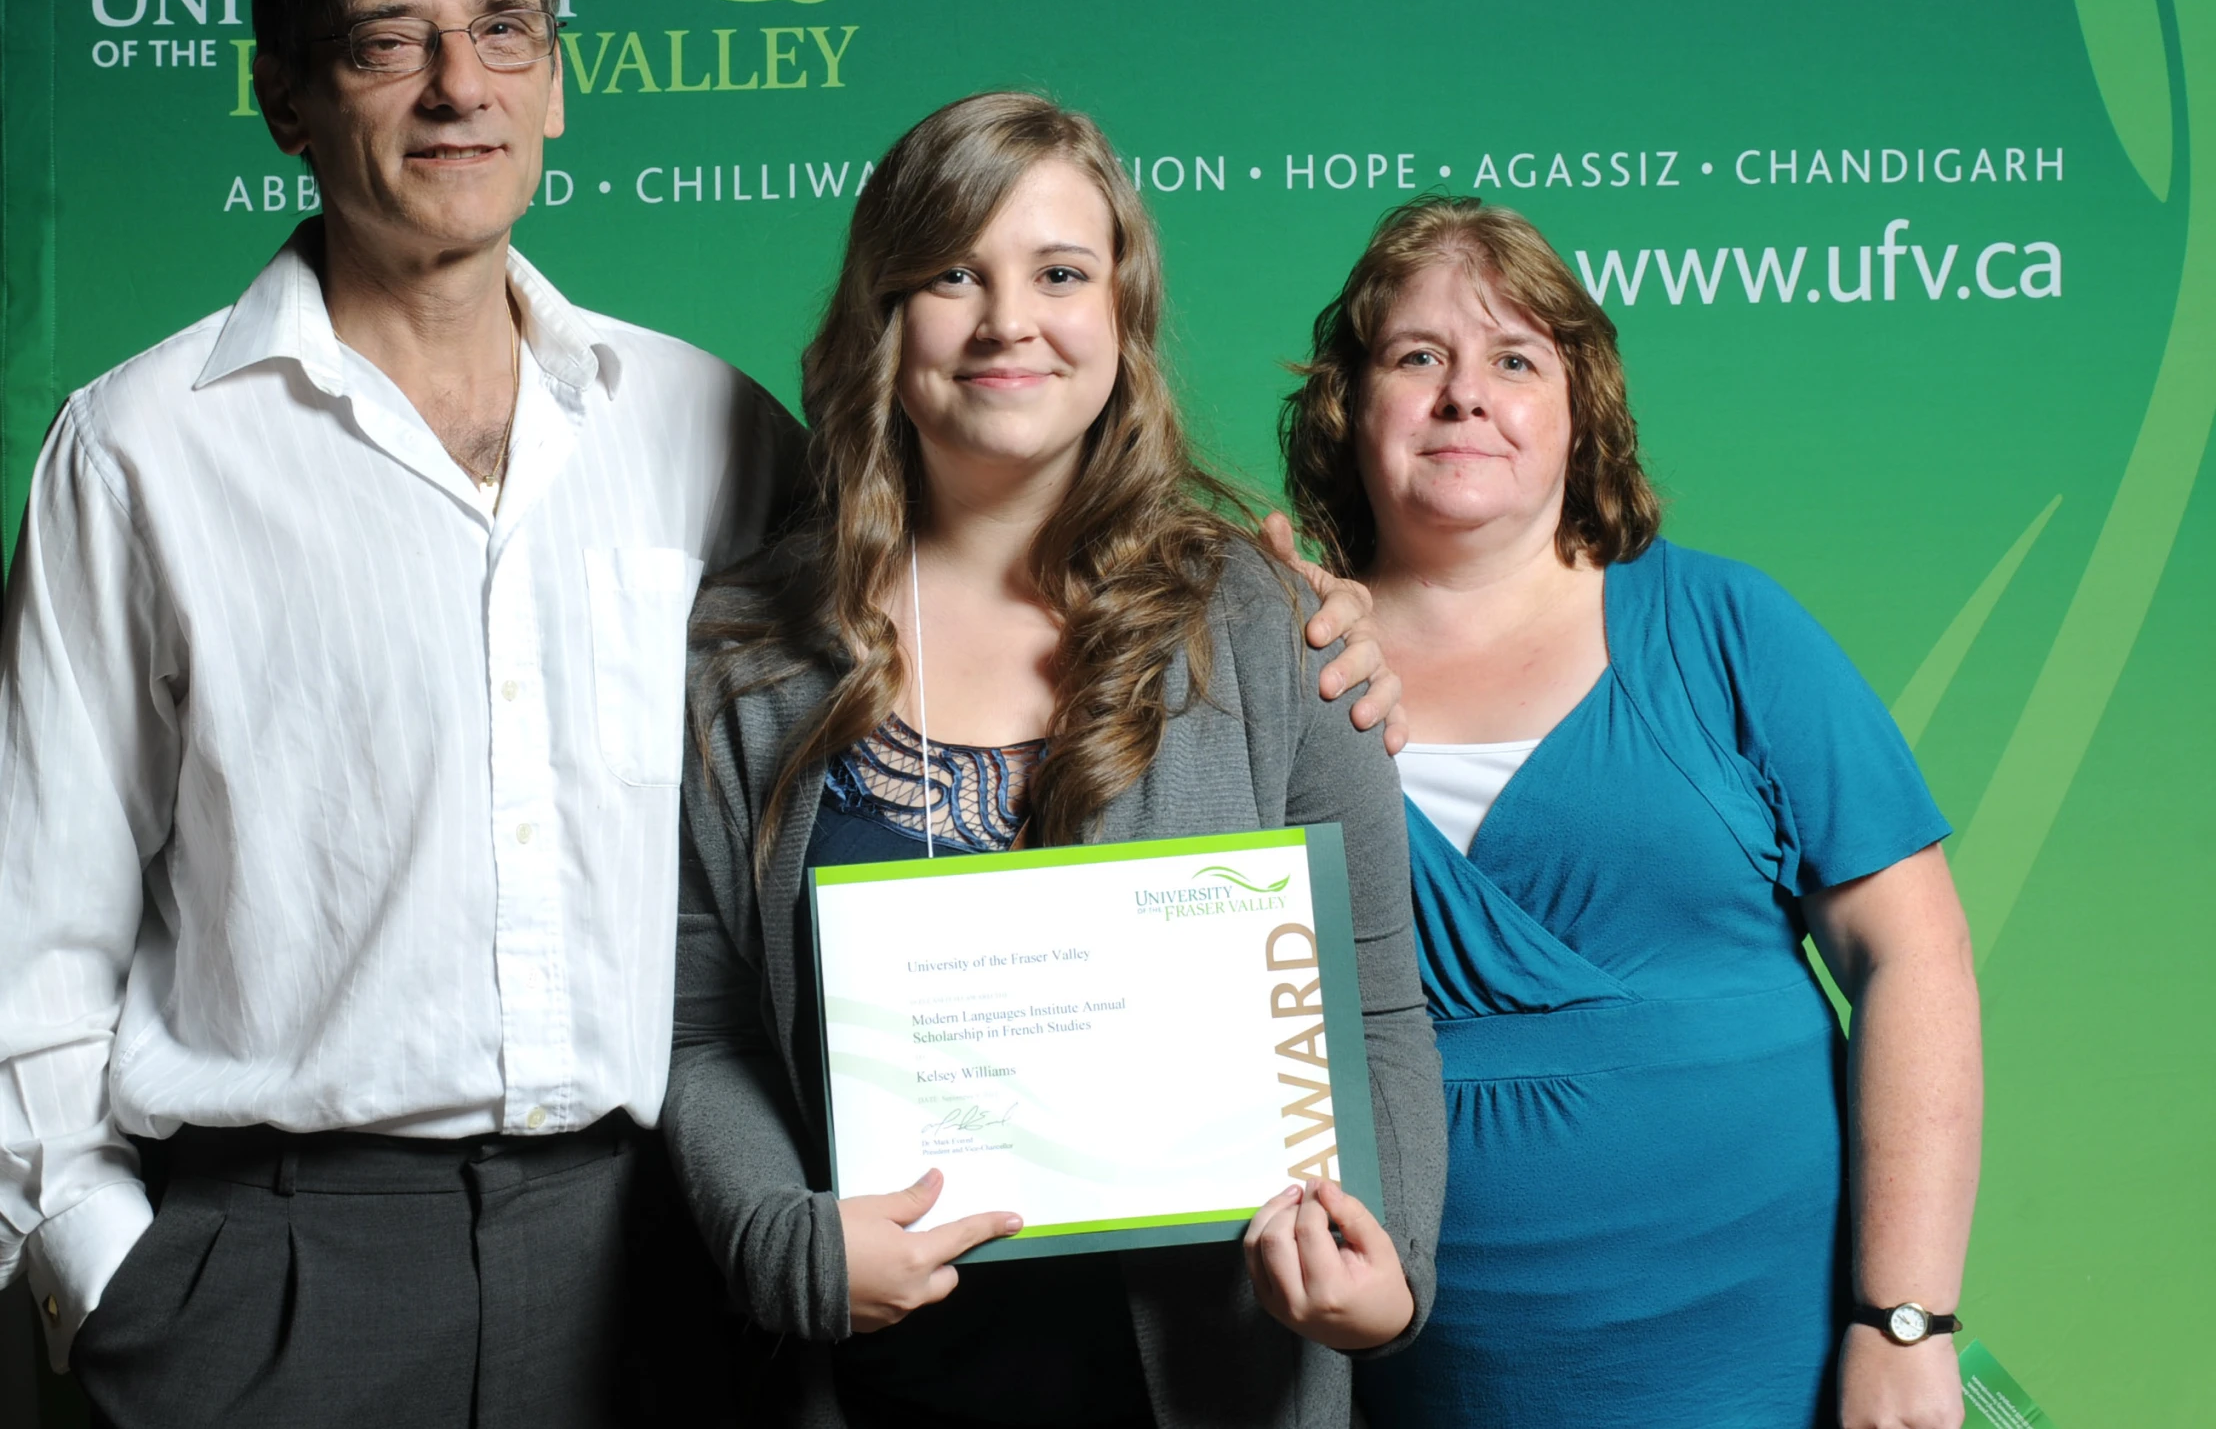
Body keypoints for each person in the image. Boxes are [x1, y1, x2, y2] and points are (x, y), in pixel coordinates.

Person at [0, 0, 806, 1426]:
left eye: (505, 32)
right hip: (276, 1272)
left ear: (559, 88)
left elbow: (955, 664)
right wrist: (114, 1278)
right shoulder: (140, 449)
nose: (459, 88)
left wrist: (1289, 613)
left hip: (659, 1255)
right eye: (389, 40)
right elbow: (31, 928)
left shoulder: (713, 428)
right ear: (284, 98)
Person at [666, 91, 1448, 1429]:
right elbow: (699, 1022)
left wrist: (1389, 1268)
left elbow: (1370, 990)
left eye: (1060, 273)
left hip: (1211, 1378)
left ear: (1123, 319)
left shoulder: (1265, 622)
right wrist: (781, 1238)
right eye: (951, 273)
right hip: (874, 1383)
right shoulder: (746, 652)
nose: (1008, 320)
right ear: (881, 317)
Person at [1281, 197, 1984, 1429]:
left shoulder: (1727, 629)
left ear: (1577, 406)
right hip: (1407, 1355)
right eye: (1415, 357)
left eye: (1513, 358)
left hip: (1765, 1342)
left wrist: (1904, 1322)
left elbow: (1912, 956)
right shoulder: (1265, 666)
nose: (1464, 395)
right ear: (1349, 404)